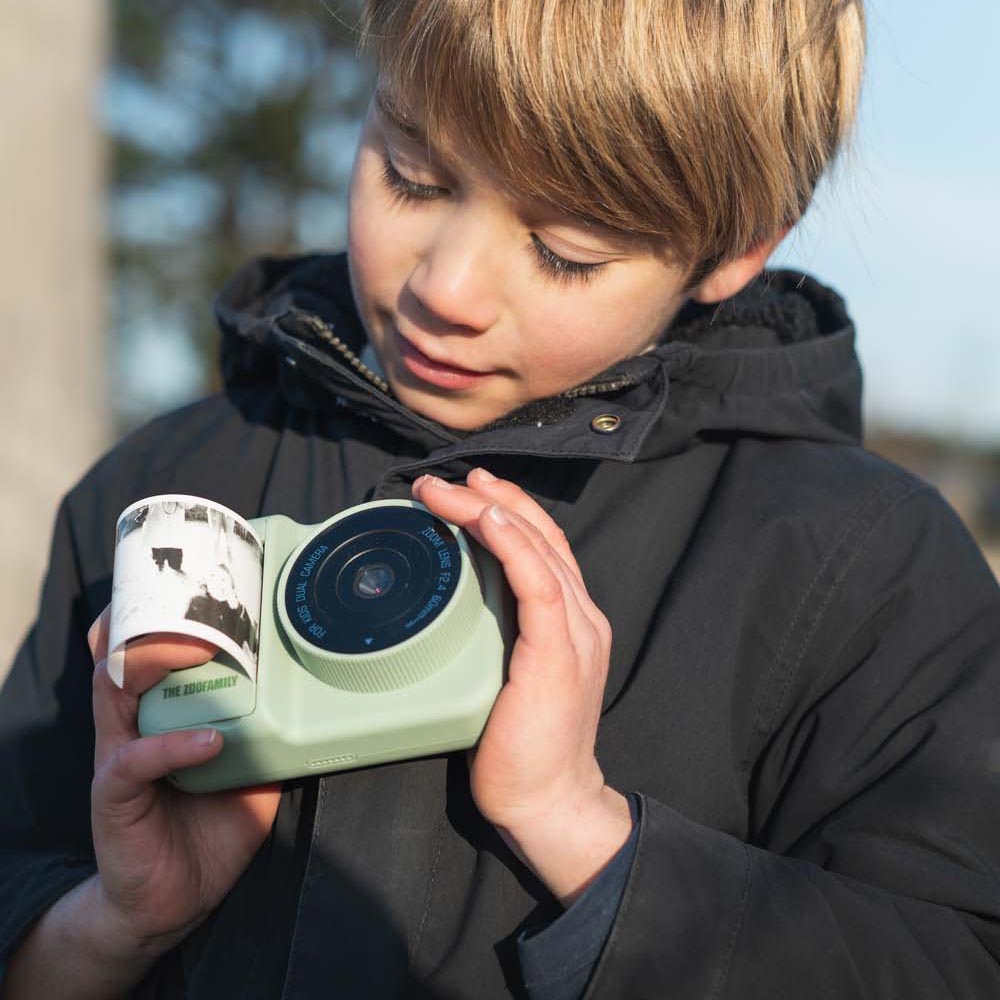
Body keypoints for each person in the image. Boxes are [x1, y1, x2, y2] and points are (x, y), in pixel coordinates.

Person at [2, 1, 999, 997]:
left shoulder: (867, 568)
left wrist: (586, 836)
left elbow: (952, 961)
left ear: (735, 251)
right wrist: (111, 926)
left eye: (566, 250)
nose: (449, 290)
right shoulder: (163, 489)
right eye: (412, 176)